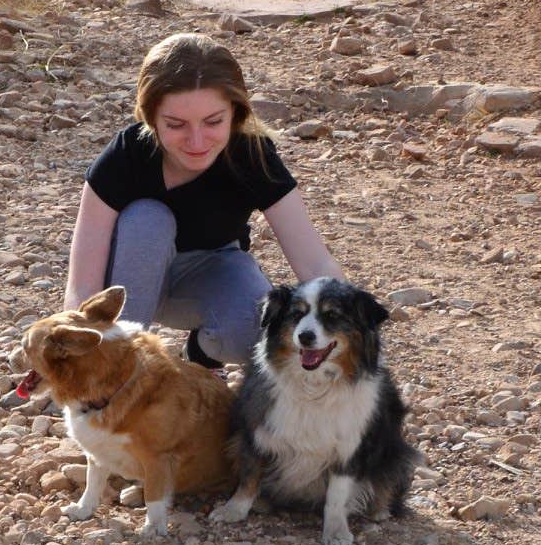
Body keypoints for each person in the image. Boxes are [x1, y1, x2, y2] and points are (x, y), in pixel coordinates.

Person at [63, 32, 344, 368]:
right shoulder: (125, 157)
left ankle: (203, 354)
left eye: (213, 122)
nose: (196, 141)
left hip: (209, 273)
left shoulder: (252, 156)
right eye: (176, 124)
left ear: (235, 114)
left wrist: (351, 339)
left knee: (259, 332)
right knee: (147, 219)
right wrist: (77, 360)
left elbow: (315, 266)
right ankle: (119, 364)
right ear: (151, 117)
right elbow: (83, 287)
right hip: (127, 286)